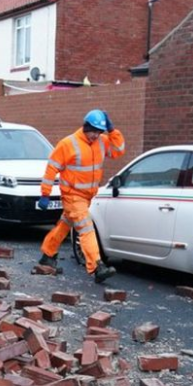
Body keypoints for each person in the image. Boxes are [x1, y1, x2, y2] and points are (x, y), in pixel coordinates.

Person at [37, 109, 125, 283]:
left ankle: (47, 254)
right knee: (86, 227)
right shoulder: (68, 144)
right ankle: (97, 266)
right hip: (72, 195)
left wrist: (113, 131)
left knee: (64, 225)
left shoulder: (102, 141)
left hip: (87, 196)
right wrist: (45, 194)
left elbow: (119, 150)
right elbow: (51, 168)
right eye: (93, 131)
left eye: (99, 132)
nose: (95, 136)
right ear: (85, 127)